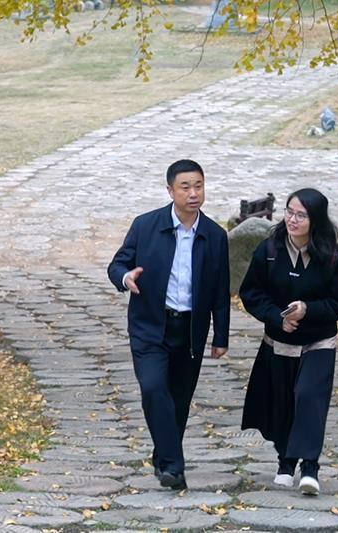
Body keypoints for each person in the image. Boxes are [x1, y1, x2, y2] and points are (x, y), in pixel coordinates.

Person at [107, 159, 230, 490]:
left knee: (178, 399)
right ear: (170, 190)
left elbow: (220, 290)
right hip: (150, 325)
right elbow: (117, 265)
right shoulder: (146, 226)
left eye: (198, 186)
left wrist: (221, 335)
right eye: (185, 187)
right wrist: (125, 277)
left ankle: (163, 457)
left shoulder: (215, 236)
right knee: (153, 388)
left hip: (190, 330)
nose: (193, 193)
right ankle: (174, 465)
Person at [238, 188, 338, 495]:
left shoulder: (331, 258)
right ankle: (285, 462)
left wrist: (307, 310)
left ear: (316, 220)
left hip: (318, 342)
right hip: (279, 341)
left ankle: (310, 467)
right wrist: (278, 317)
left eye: (301, 215)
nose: (293, 219)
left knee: (309, 397)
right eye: (289, 212)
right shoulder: (269, 250)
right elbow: (251, 293)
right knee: (283, 401)